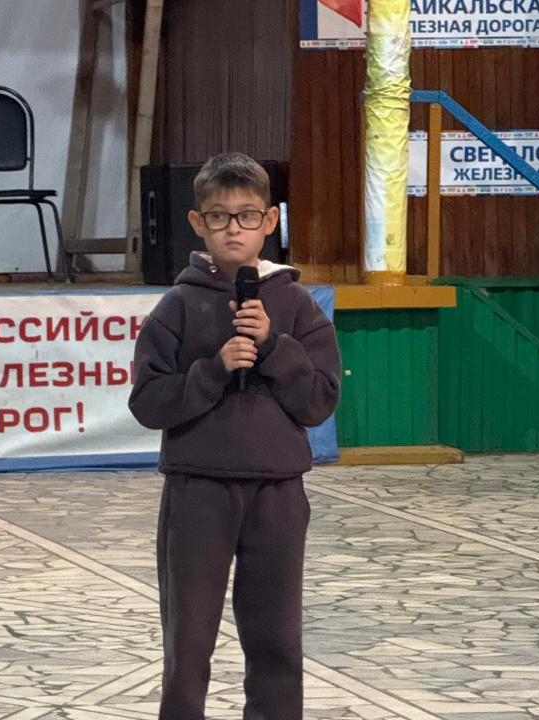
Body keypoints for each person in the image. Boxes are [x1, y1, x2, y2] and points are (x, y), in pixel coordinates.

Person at [128, 152, 341, 720]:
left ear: (269, 221)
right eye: (219, 217)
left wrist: (273, 347)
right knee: (188, 641)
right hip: (198, 490)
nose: (233, 230)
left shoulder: (295, 305)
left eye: (247, 216)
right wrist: (213, 370)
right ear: (198, 223)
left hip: (277, 492)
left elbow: (319, 400)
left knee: (276, 638)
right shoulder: (177, 306)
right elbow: (148, 402)